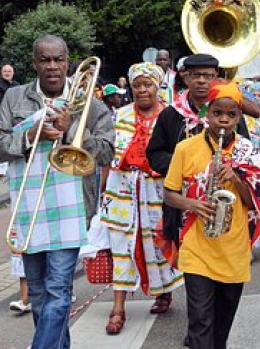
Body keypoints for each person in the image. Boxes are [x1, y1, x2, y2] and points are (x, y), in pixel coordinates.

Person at [0, 34, 115, 349]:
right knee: (38, 295)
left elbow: (106, 153)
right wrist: (29, 136)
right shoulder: (14, 99)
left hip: (72, 209)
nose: (52, 66)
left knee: (58, 291)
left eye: (58, 59)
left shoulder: (90, 103)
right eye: (44, 59)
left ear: (68, 61)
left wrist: (72, 129)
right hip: (29, 207)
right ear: (34, 62)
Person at [163, 81, 260, 349]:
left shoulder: (248, 150)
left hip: (233, 249)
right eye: (217, 113)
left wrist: (236, 177)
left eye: (231, 115)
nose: (223, 120)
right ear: (206, 113)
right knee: (200, 322)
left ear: (239, 117)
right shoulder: (185, 148)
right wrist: (193, 205)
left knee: (220, 329)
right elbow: (169, 194)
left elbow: (258, 201)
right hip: (197, 247)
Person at [147, 54, 260, 264]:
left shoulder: (233, 115)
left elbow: (244, 153)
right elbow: (154, 154)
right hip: (184, 203)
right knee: (192, 268)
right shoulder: (170, 114)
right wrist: (184, 164)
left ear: (216, 78)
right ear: (186, 78)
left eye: (208, 76)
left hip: (224, 202)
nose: (201, 81)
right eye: (196, 75)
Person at [101, 62, 184, 335]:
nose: (141, 90)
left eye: (147, 85)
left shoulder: (171, 116)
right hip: (123, 190)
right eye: (136, 86)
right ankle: (118, 309)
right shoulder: (120, 115)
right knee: (121, 246)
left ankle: (164, 290)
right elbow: (110, 156)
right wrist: (102, 192)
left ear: (157, 86)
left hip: (158, 190)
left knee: (158, 243)